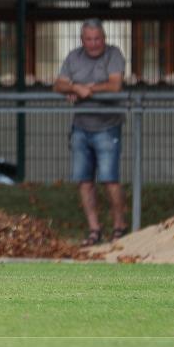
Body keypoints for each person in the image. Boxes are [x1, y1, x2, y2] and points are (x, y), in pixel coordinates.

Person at [53, 19, 127, 246]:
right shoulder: (74, 57)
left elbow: (115, 85)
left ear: (104, 38)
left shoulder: (114, 54)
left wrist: (87, 89)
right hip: (81, 127)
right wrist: (74, 87)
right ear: (82, 40)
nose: (94, 44)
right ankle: (94, 230)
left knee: (109, 179)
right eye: (89, 39)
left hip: (107, 126)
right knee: (84, 181)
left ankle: (119, 227)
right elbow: (58, 85)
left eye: (98, 39)